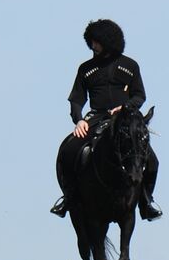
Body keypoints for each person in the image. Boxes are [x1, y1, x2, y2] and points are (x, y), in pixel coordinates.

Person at [52, 19, 162, 220]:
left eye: (96, 42)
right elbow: (76, 99)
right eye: (91, 42)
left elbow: (139, 95)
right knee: (70, 148)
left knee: (152, 159)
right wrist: (79, 120)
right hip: (96, 118)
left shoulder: (130, 65)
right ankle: (68, 197)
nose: (93, 46)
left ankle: (146, 201)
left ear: (108, 41)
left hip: (125, 119)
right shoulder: (85, 68)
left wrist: (126, 107)